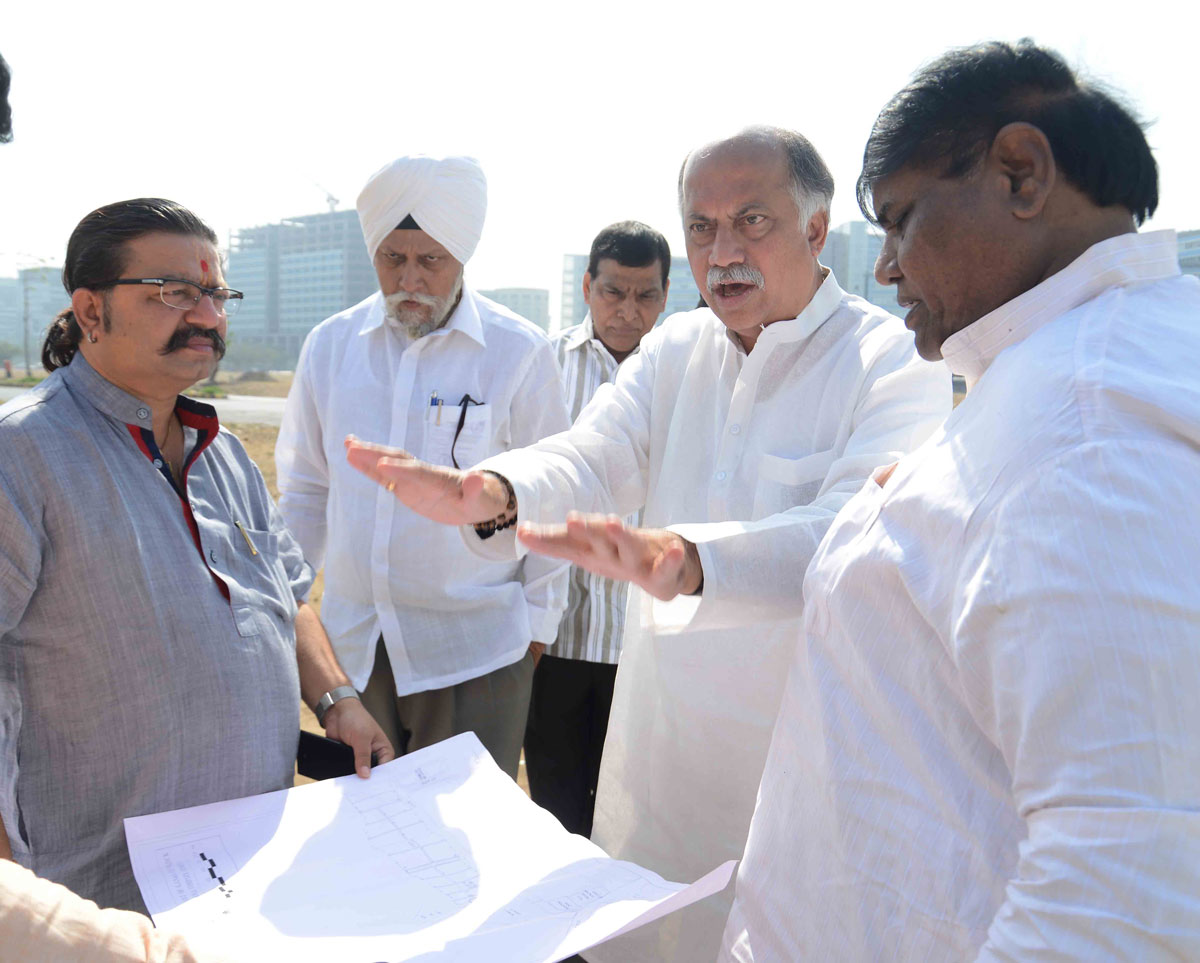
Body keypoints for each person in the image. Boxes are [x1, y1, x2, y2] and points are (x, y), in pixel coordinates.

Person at [346, 126, 951, 961]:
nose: (722, 251)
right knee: (643, 934)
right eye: (701, 227)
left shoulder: (892, 362)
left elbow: (851, 531)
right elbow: (594, 454)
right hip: (663, 741)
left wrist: (690, 559)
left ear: (816, 229)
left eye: (751, 221)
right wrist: (494, 491)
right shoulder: (677, 348)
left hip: (803, 751)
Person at [720, 41, 1200, 961]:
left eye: (900, 220)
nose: (885, 268)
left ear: (1021, 172)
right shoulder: (1068, 381)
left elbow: (1127, 890)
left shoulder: (1090, 433)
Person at [0, 198, 393, 914]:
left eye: (216, 294)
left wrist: (338, 700)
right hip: (94, 900)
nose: (208, 316)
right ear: (91, 310)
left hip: (246, 877)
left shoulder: (227, 454)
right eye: (175, 292)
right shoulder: (20, 454)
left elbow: (286, 595)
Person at [276, 155, 570, 781]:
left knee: (468, 831)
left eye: (430, 260)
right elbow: (305, 488)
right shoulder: (330, 345)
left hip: (475, 648)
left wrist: (538, 627)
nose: (409, 278)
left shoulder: (518, 350)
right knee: (364, 822)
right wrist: (288, 606)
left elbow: (552, 493)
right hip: (356, 646)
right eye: (393, 258)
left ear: (462, 255)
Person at [525, 221, 670, 837]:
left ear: (665, 296)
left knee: (630, 817)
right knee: (553, 810)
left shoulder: (684, 375)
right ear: (587, 287)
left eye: (645, 295)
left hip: (646, 643)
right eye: (614, 292)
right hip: (556, 637)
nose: (628, 311)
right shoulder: (542, 366)